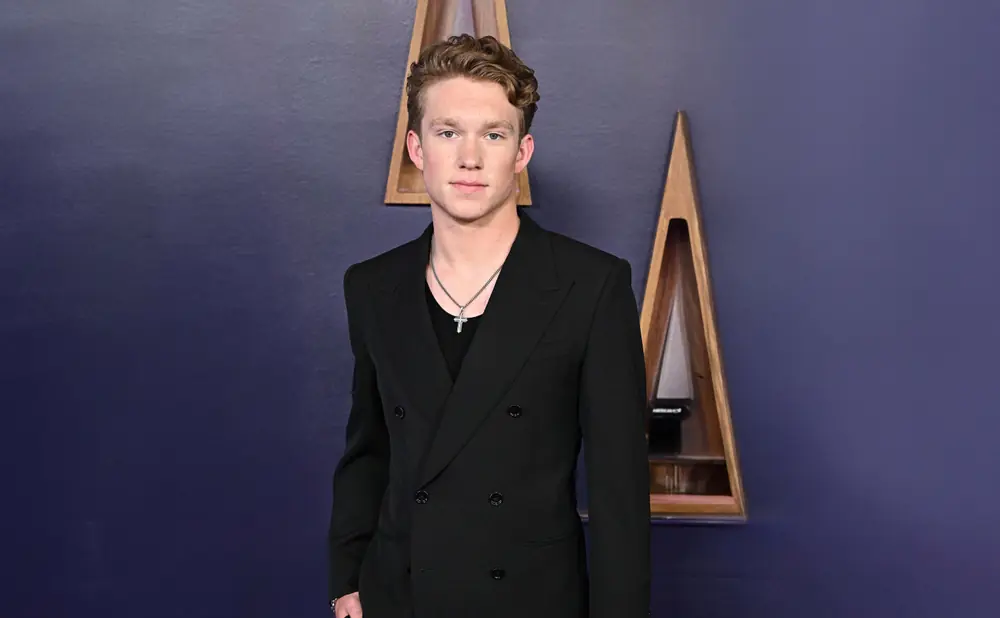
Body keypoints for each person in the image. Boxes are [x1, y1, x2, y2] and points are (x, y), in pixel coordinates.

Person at [327, 34, 650, 618]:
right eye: (448, 132)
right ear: (416, 148)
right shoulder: (372, 287)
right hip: (398, 596)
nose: (469, 158)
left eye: (493, 135)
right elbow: (369, 451)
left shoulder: (591, 286)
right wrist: (346, 581)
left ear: (522, 153)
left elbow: (618, 491)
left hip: (530, 599)